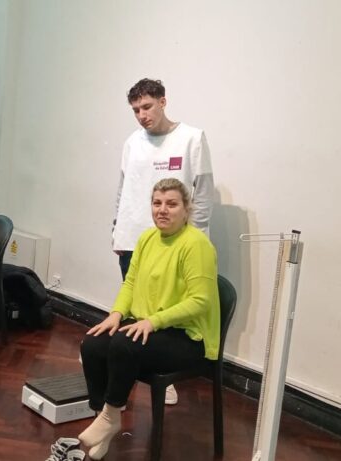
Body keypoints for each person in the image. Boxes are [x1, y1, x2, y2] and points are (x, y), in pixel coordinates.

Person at [79, 178, 220, 460]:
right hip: (152, 326)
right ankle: (102, 416)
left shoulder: (196, 245)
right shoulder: (146, 238)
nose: (162, 210)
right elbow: (130, 282)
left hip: (188, 337)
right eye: (157, 203)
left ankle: (110, 417)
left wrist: (153, 321)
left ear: (186, 209)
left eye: (172, 204)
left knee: (124, 345)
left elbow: (200, 301)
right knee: (93, 342)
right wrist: (116, 314)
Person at [111, 78, 214, 405]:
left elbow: (203, 195)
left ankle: (163, 373)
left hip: (175, 244)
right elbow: (123, 189)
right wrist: (117, 230)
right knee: (133, 309)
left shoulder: (192, 138)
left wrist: (194, 239)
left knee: (169, 311)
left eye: (147, 107)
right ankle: (124, 377)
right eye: (135, 110)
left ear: (163, 102)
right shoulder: (132, 142)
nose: (142, 115)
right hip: (133, 239)